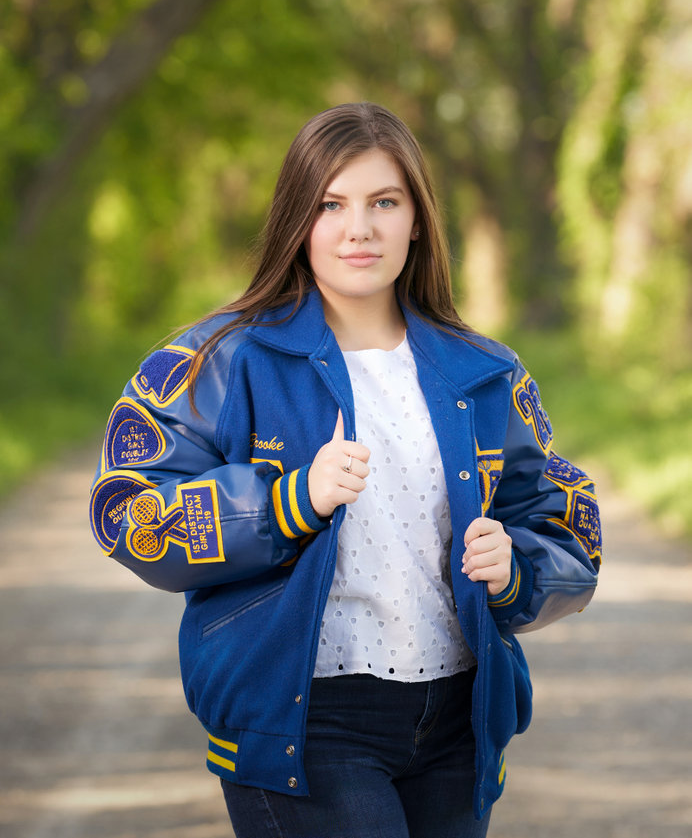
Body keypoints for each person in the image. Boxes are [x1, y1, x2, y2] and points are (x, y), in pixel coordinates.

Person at [89, 102, 601, 838]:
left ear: (417, 219)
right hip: (307, 722)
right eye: (331, 204)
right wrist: (289, 500)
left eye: (383, 202)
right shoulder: (218, 361)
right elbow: (130, 511)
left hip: (456, 721)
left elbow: (566, 528)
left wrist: (515, 568)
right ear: (298, 217)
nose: (359, 228)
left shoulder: (486, 372)